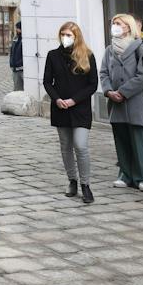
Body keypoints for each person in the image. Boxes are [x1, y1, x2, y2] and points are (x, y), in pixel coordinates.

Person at [43, 21, 99, 203]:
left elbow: (92, 84)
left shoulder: (87, 55)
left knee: (80, 145)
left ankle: (86, 184)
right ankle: (72, 180)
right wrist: (57, 99)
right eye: (63, 34)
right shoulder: (53, 55)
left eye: (69, 35)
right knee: (65, 146)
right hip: (60, 108)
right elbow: (47, 81)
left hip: (80, 108)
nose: (65, 38)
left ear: (76, 37)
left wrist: (74, 100)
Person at [101, 13, 143, 192]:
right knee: (121, 138)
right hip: (115, 101)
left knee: (138, 138)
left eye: (119, 23)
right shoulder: (109, 50)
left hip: (136, 100)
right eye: (113, 23)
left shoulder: (140, 47)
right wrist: (109, 91)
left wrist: (123, 92)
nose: (115, 26)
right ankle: (125, 173)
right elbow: (104, 73)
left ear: (128, 27)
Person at [9, 21, 24, 91]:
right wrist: (11, 63)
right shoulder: (16, 38)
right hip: (15, 68)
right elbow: (12, 51)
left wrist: (20, 62)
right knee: (17, 90)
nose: (16, 30)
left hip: (22, 68)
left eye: (17, 28)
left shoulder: (26, 39)